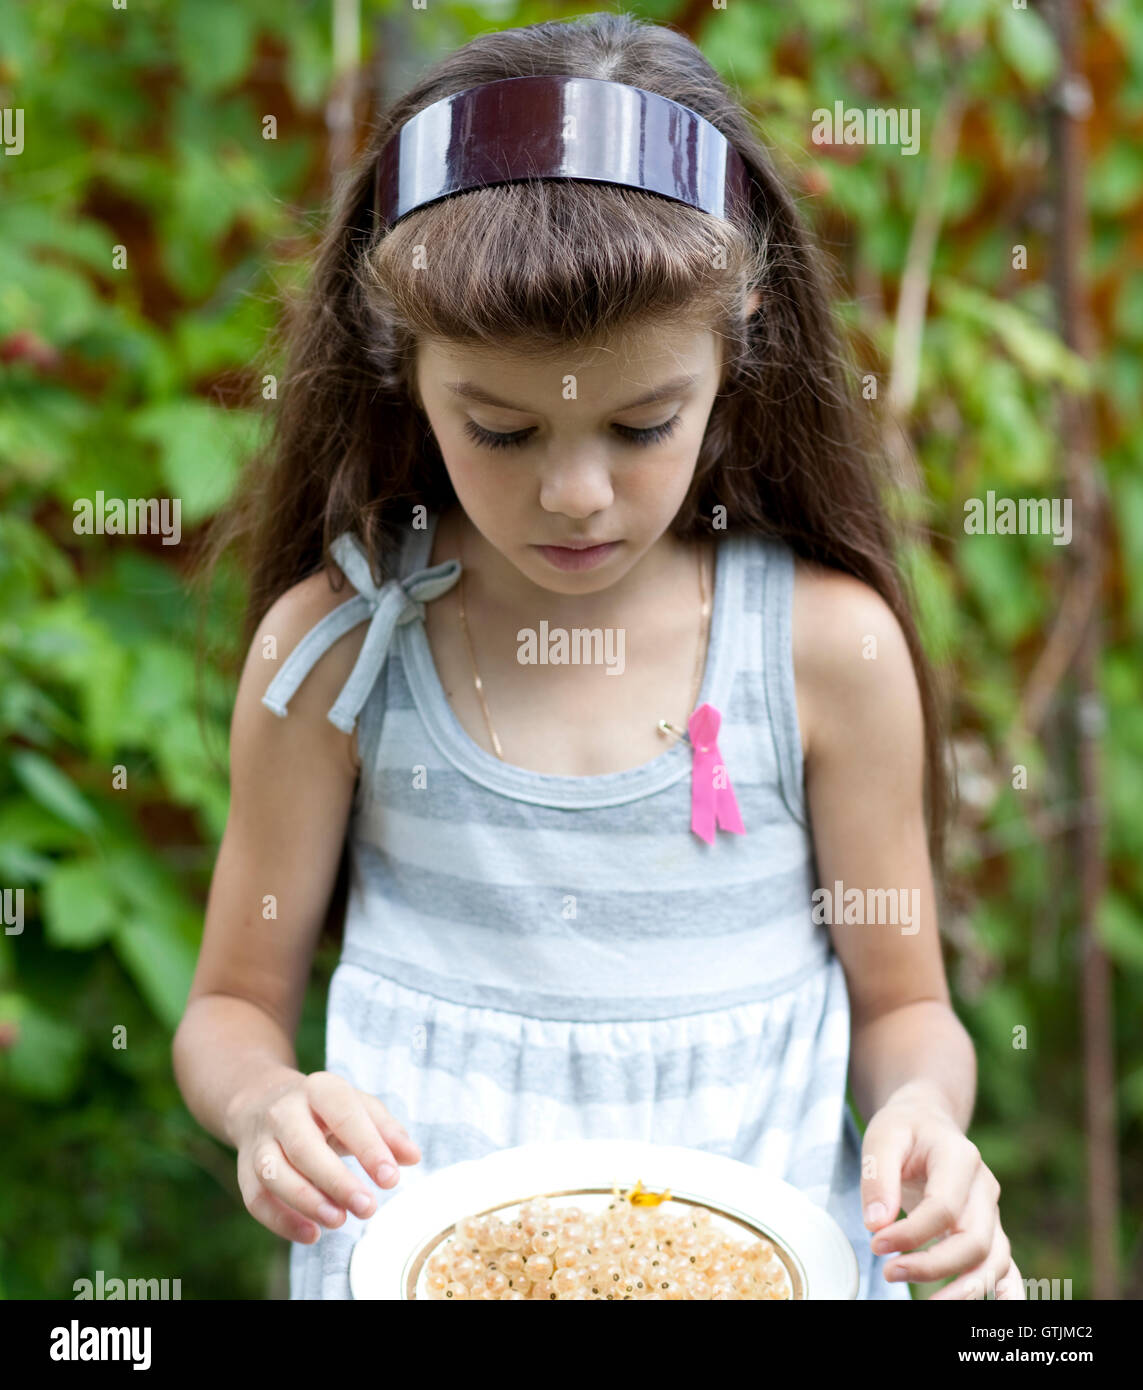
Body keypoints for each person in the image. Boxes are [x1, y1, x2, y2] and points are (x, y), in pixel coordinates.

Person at [173, 11, 1023, 1301]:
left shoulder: (818, 651)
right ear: (407, 369)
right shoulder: (339, 652)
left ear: (738, 345)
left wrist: (927, 1124)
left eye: (641, 423)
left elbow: (905, 1008)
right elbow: (231, 1004)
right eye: (502, 430)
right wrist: (264, 1108)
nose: (577, 493)